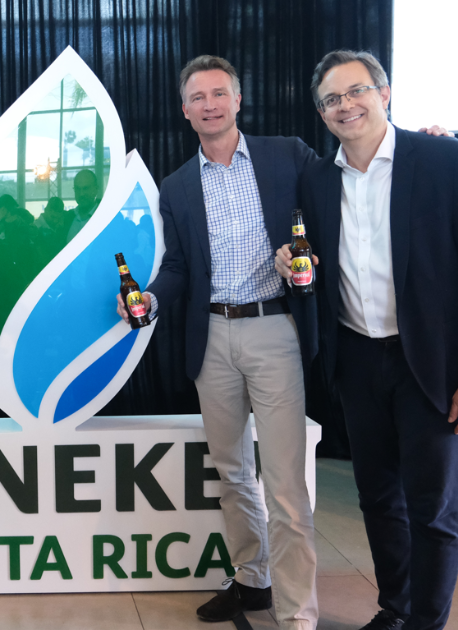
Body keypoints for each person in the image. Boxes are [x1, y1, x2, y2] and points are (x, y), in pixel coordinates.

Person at [276, 50, 458, 630]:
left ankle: (427, 623)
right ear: (321, 113)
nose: (345, 106)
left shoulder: (446, 159)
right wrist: (292, 266)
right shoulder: (317, 178)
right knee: (379, 499)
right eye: (331, 99)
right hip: (358, 360)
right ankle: (396, 608)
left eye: (356, 91)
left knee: (433, 510)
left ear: (384, 94)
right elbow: (317, 268)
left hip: (432, 366)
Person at [118, 55, 321, 629]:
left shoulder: (288, 154)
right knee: (232, 474)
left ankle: (298, 615)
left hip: (274, 329)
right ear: (184, 110)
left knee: (284, 484)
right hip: (211, 336)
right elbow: (179, 266)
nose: (209, 104)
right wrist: (150, 298)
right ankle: (252, 580)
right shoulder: (177, 185)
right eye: (197, 97)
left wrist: (418, 144)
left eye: (218, 93)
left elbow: (340, 195)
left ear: (238, 100)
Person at [66, 169, 100, 242]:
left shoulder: (107, 219)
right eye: (77, 189)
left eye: (85, 188)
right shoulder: (67, 218)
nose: (81, 194)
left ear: (96, 189)